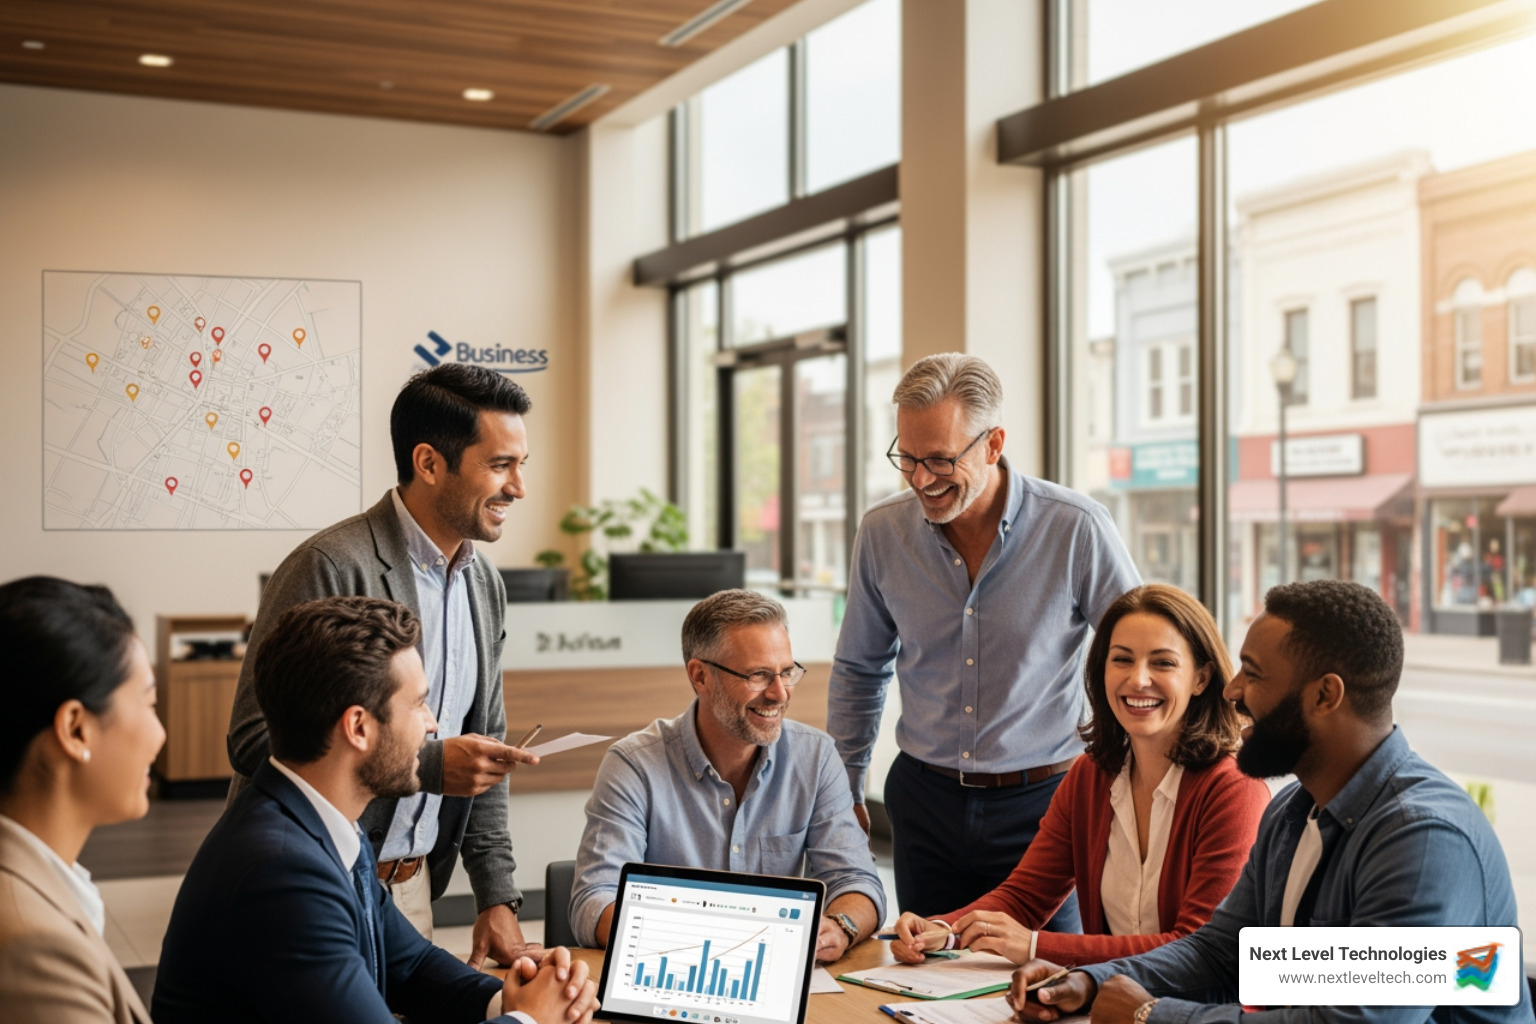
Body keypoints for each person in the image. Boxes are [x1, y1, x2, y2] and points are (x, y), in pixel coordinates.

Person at [1009, 579, 1532, 1024]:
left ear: (1325, 696)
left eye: (1253, 674)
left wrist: (1153, 1015)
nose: (1232, 691)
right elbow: (1224, 953)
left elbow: (1352, 1020)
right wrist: (1086, 982)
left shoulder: (1423, 839)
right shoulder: (1293, 811)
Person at [153, 596, 598, 1024]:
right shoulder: (282, 871)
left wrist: (509, 998)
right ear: (359, 727)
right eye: (418, 703)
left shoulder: (323, 820)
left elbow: (409, 963)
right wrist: (529, 1020)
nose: (432, 725)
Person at [226, 363, 536, 966]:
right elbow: (252, 739)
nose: (518, 487)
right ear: (428, 463)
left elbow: (484, 746)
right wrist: (429, 764)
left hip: (412, 889)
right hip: (311, 878)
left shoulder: (484, 584)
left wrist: (496, 894)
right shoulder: (330, 567)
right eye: (500, 465)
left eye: (522, 465)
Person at [827, 352, 1141, 918]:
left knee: (1050, 987)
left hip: (1048, 807)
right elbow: (859, 668)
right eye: (908, 457)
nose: (922, 479)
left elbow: (1141, 652)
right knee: (927, 988)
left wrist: (1126, 775)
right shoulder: (882, 533)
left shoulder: (1075, 528)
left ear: (993, 445)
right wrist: (845, 789)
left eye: (941, 460)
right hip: (923, 803)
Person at [889, 584, 1268, 968]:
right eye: (1122, 660)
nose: (1138, 680)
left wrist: (1037, 948)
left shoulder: (1234, 788)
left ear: (1201, 679)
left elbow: (1198, 948)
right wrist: (939, 930)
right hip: (1107, 998)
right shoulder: (1090, 775)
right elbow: (1025, 897)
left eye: (1163, 663)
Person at [570, 589, 885, 961]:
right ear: (700, 676)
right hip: (673, 970)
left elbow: (858, 881)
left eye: (787, 672)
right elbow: (595, 900)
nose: (779, 693)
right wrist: (715, 943)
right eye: (758, 675)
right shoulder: (634, 765)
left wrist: (841, 926)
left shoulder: (814, 757)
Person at [0, 576, 165, 1024]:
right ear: (76, 729)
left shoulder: (44, 881)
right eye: (149, 705)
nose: (160, 734)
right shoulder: (34, 947)